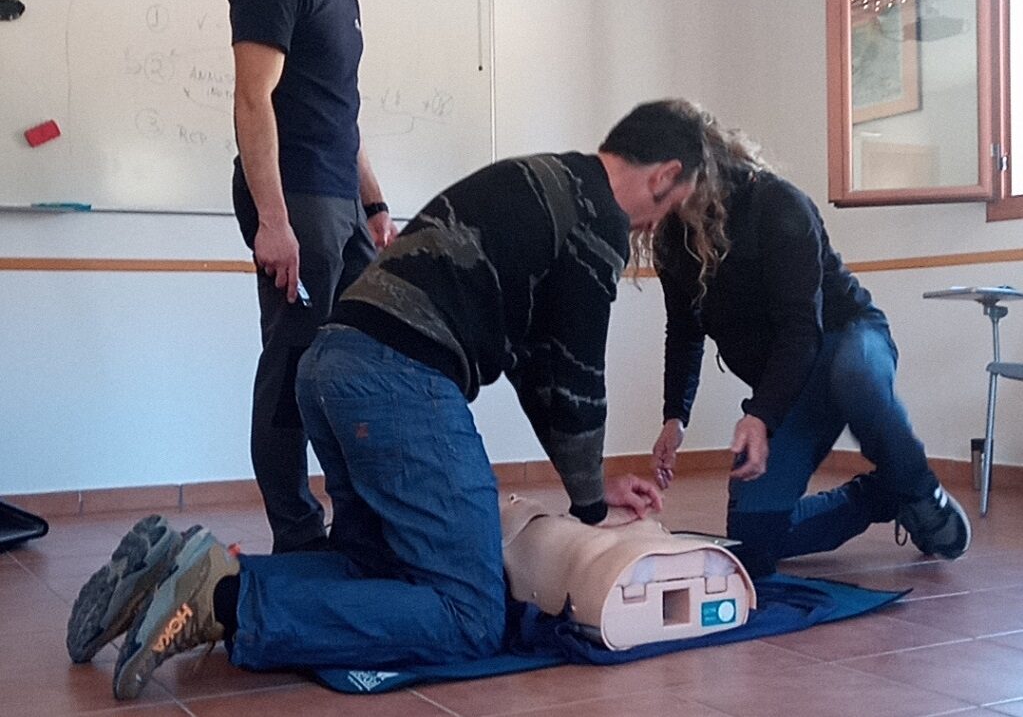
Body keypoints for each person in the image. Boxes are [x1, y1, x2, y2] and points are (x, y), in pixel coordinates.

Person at [67, 100, 706, 700]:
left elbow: (539, 368)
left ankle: (172, 572)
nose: (658, 227)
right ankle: (219, 602)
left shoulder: (548, 178)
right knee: (469, 615)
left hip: (334, 362)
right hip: (398, 379)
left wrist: (591, 486)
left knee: (377, 565)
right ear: (665, 176)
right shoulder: (598, 218)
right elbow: (576, 376)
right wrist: (590, 510)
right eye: (673, 207)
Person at [647, 99, 971, 578]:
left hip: (846, 338)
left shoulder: (777, 204)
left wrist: (761, 414)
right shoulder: (672, 240)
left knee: (855, 376)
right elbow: (684, 330)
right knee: (752, 542)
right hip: (794, 381)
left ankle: (921, 490)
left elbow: (801, 327)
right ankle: (884, 494)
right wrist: (675, 417)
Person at [229, 0, 402, 553]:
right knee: (292, 369)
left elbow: (341, 115)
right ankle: (298, 536)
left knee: (358, 359)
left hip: (341, 204)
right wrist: (273, 222)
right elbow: (252, 100)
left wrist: (375, 204)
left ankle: (357, 522)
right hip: (294, 200)